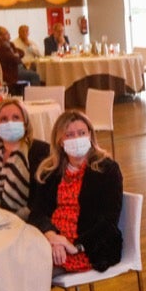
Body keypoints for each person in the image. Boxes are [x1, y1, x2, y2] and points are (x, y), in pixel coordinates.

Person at [28, 110, 125, 274]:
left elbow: (108, 221)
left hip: (87, 248)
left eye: (82, 133)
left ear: (90, 136)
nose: (77, 139)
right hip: (51, 242)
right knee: (11, 264)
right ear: (60, 141)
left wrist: (75, 246)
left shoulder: (106, 169)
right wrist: (53, 238)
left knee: (29, 272)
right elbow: (38, 212)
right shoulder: (50, 171)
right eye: (70, 135)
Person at [0, 99, 52, 220]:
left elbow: (40, 200)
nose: (9, 123)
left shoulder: (39, 151)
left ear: (25, 123)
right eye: (4, 119)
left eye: (16, 118)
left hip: (23, 222)